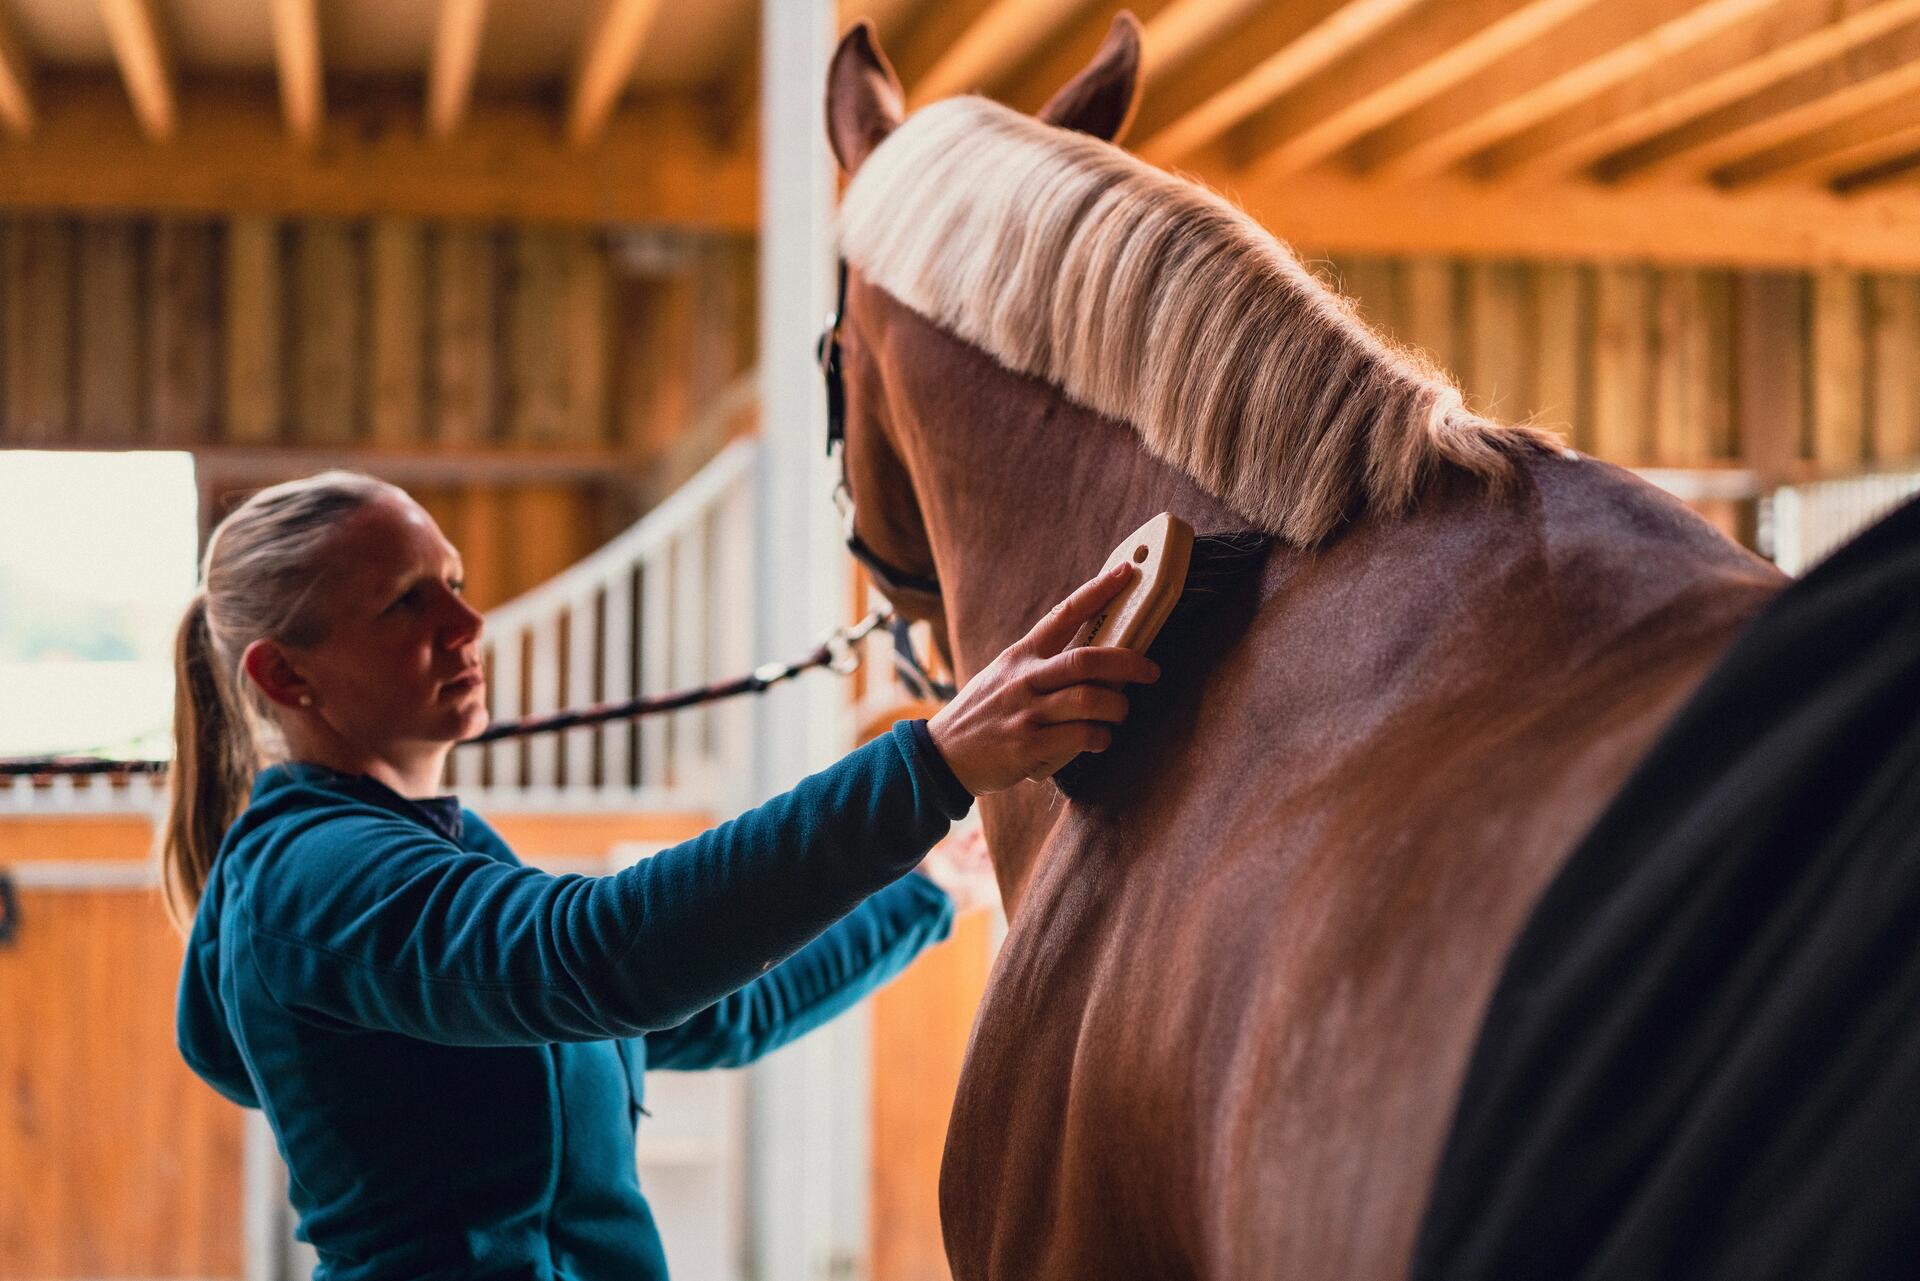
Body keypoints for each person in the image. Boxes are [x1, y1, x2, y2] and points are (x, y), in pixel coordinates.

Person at [166, 470, 1156, 1281]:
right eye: (405, 603)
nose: (468, 622)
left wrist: (927, 887)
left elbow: (718, 1013)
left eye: (454, 580)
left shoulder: (435, 849)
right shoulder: (315, 877)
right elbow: (599, 956)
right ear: (286, 679)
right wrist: (929, 769)